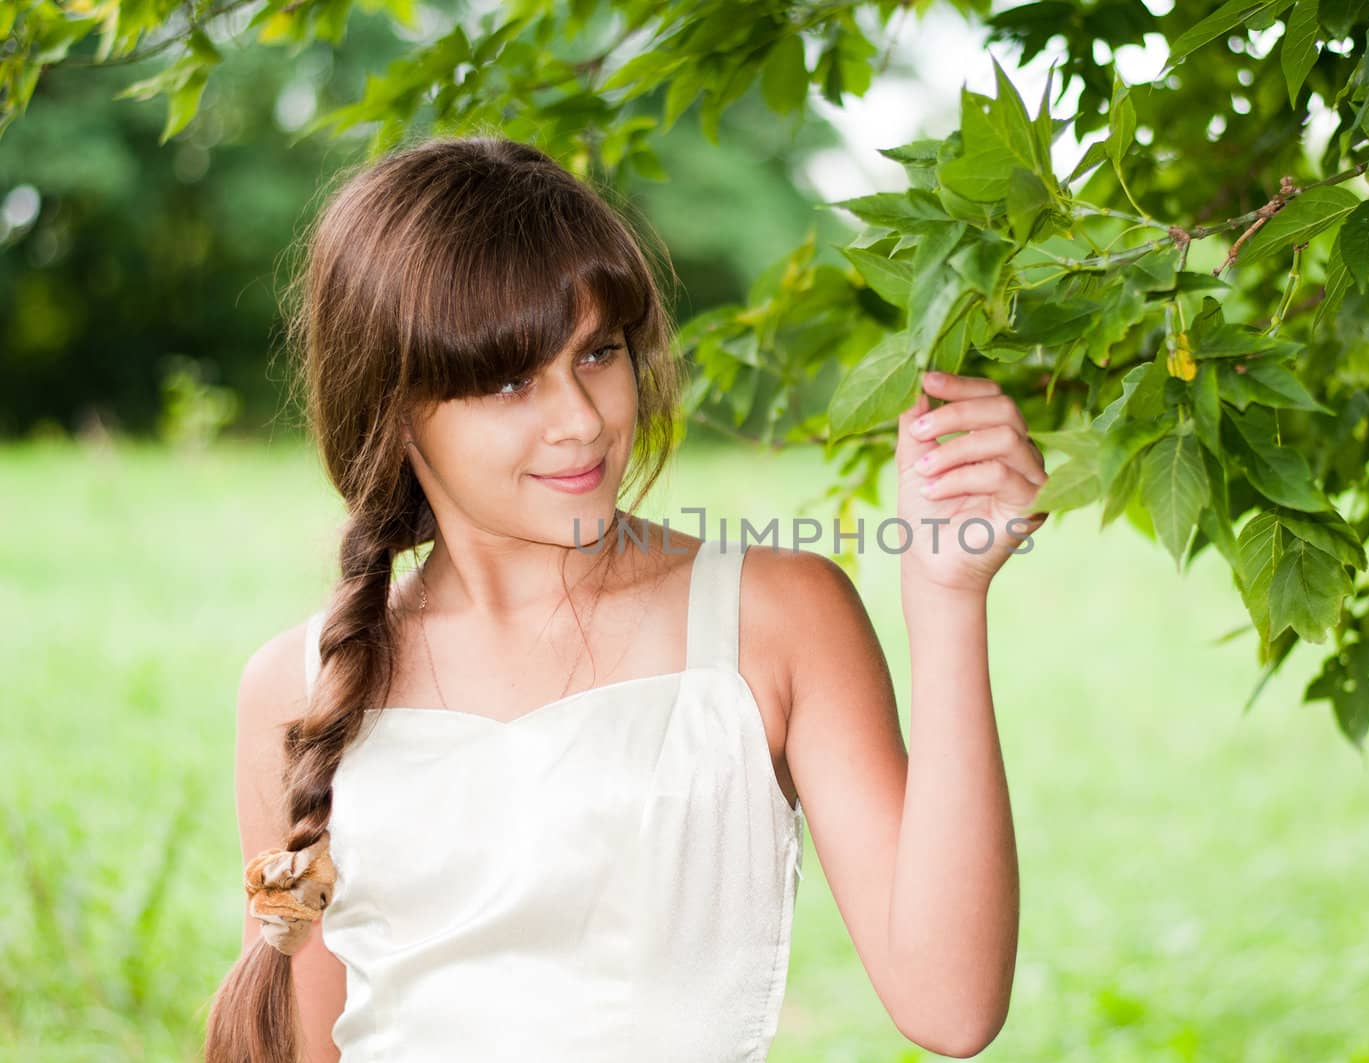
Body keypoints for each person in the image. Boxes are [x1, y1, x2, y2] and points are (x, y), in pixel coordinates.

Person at [204, 133, 1048, 1063]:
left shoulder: (774, 617)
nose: (583, 418)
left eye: (597, 353)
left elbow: (952, 1005)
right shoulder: (297, 683)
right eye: (513, 378)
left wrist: (945, 595)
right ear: (393, 404)